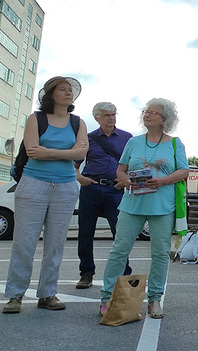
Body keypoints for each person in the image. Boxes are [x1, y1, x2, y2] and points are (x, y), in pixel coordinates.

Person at [3, 76, 89, 314]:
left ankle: (48, 293)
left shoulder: (77, 122)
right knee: (24, 242)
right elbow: (33, 152)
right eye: (63, 89)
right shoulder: (36, 118)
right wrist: (66, 153)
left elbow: (82, 151)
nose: (68, 92)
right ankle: (14, 295)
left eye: (70, 89)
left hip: (65, 186)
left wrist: (49, 151)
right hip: (33, 184)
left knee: (55, 244)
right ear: (51, 94)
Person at [100, 98, 189, 319]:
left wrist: (163, 180)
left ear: (164, 119)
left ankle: (154, 299)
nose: (147, 115)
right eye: (145, 111)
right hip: (132, 203)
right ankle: (107, 298)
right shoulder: (133, 142)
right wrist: (126, 180)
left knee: (160, 254)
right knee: (119, 250)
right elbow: (120, 171)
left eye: (153, 112)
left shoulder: (175, 143)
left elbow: (184, 171)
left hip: (162, 205)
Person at [75, 102, 133, 289]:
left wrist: (125, 181)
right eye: (107, 115)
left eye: (114, 114)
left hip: (115, 190)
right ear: (97, 117)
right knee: (85, 231)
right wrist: (80, 178)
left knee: (120, 232)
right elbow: (74, 165)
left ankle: (124, 273)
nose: (112, 118)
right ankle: (86, 273)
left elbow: (135, 165)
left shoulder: (126, 138)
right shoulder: (87, 138)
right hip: (91, 188)